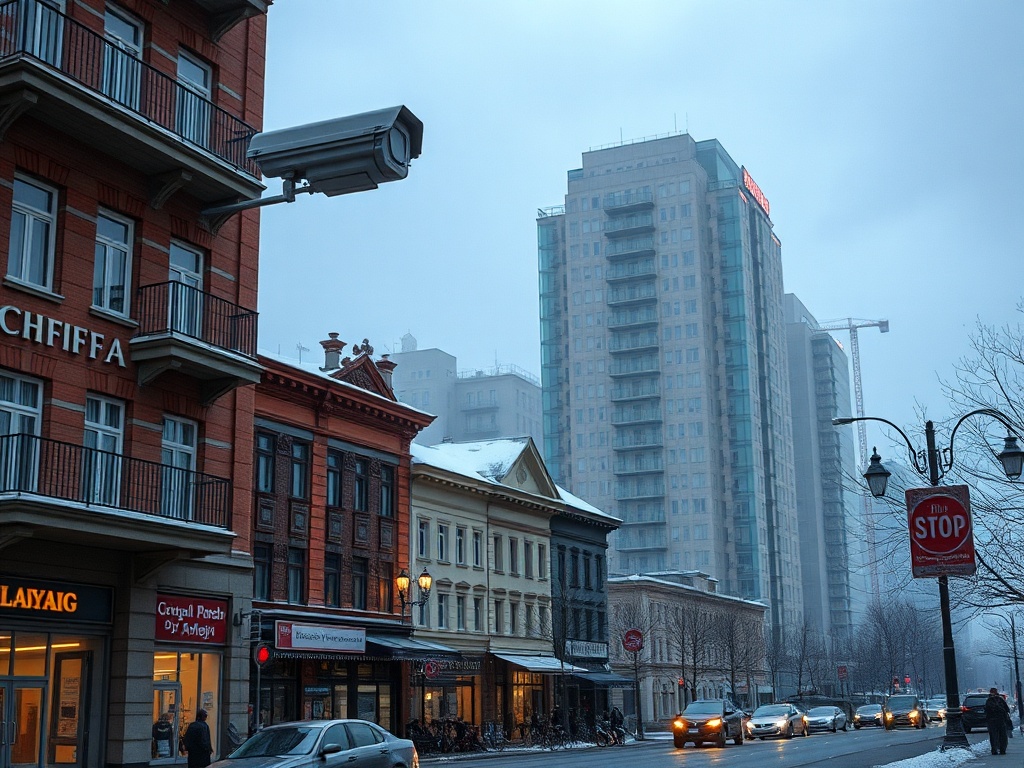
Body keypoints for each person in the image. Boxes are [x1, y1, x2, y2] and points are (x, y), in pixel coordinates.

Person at [985, 687, 1012, 756]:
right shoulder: (1000, 699)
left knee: (994, 736)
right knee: (1002, 735)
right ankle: (1002, 749)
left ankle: (994, 750)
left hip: (992, 721)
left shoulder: (988, 700)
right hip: (1001, 720)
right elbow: (1007, 709)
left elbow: (987, 711)